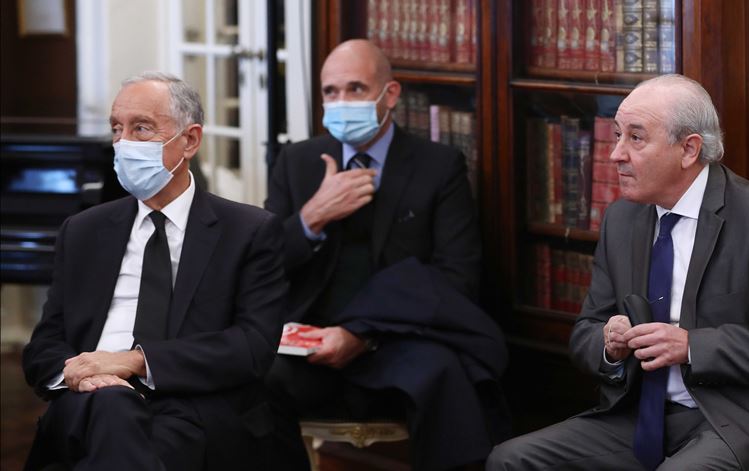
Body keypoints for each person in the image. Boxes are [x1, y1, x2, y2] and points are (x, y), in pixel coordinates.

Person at [486, 74, 749, 470]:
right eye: (617, 135)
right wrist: (609, 343)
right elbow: (586, 330)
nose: (616, 154)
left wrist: (691, 346)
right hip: (640, 414)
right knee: (510, 460)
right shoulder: (621, 218)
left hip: (741, 420)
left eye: (635, 138)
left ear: (689, 149)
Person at [21, 72, 306, 471]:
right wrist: (87, 376)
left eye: (142, 129)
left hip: (193, 406)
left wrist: (134, 361)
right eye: (117, 129)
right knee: (111, 407)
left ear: (189, 140)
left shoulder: (248, 231)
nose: (123, 143)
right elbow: (44, 345)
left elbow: (251, 347)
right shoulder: (84, 230)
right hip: (85, 401)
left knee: (127, 433)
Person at [264, 39, 508, 470]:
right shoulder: (297, 161)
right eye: (330, 92)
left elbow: (457, 277)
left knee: (445, 378)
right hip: (312, 339)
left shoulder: (438, 165)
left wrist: (361, 334)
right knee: (249, 380)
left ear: (389, 94)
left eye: (356, 89)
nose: (341, 102)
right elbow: (263, 266)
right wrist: (311, 218)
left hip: (398, 336)